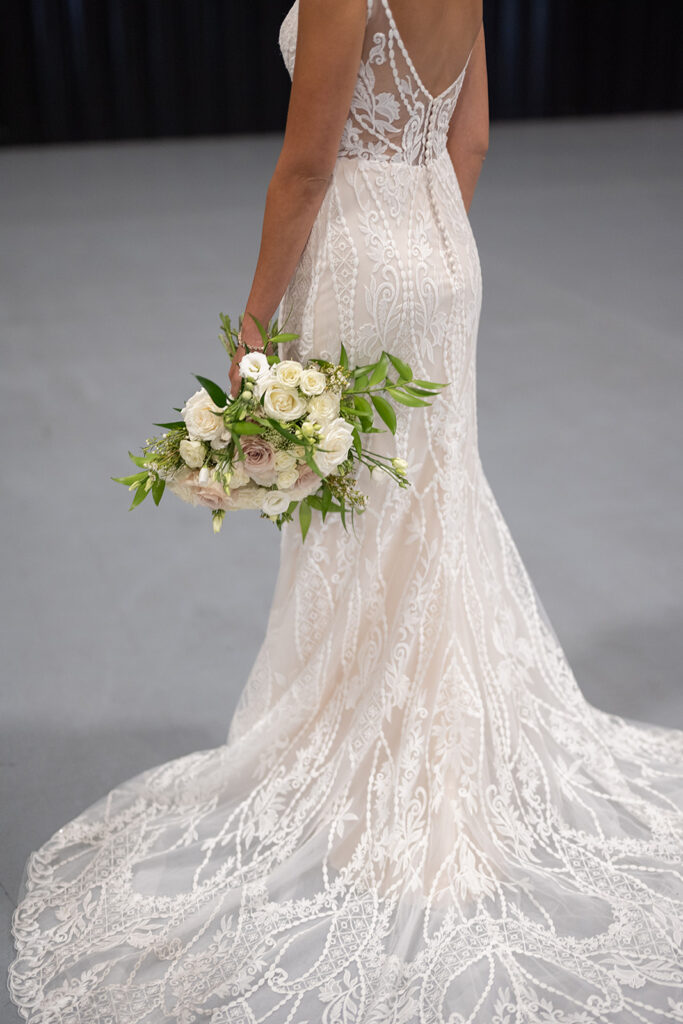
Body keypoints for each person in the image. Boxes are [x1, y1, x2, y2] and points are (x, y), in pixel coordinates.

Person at [8, 1, 683, 1021]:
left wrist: (251, 327)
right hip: (441, 257)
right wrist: (426, 248)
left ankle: (382, 770)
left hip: (362, 265)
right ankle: (422, 747)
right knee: (427, 506)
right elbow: (472, 136)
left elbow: (307, 169)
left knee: (363, 521)